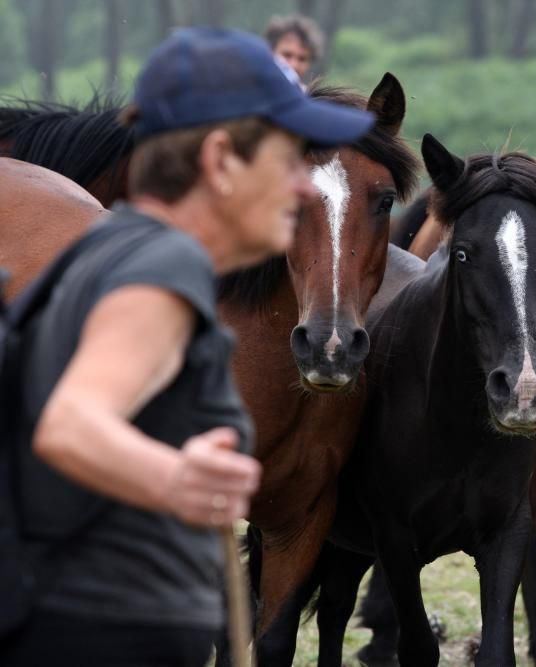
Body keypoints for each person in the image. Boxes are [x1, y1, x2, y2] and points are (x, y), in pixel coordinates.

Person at [0, 27, 373, 667]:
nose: (305, 187)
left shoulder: (111, 249)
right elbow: (70, 423)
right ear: (221, 159)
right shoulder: (163, 267)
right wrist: (174, 478)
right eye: (288, 158)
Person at [264, 13, 325, 82]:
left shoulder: (305, 92)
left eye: (302, 59)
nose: (293, 65)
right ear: (271, 51)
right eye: (287, 55)